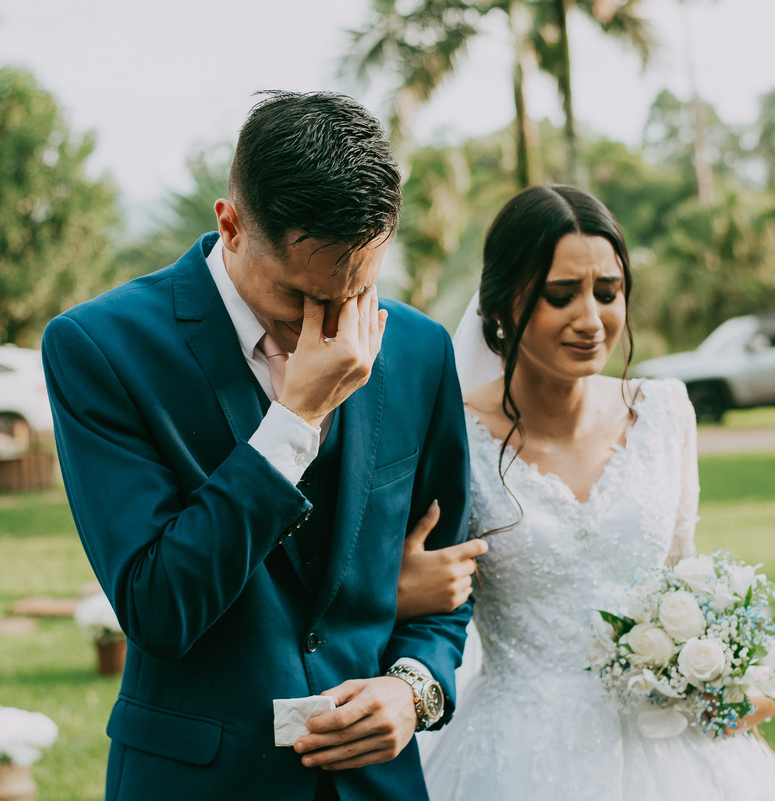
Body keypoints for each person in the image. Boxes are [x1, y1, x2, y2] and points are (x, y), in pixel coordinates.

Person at [42, 91, 484, 801]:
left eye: (357, 290)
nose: (331, 326)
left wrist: (414, 688)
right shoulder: (101, 348)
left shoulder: (421, 351)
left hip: (375, 785)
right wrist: (296, 417)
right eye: (300, 297)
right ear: (231, 225)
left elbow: (448, 575)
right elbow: (159, 608)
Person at [401, 184, 775, 800]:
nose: (591, 321)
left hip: (666, 740)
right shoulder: (453, 432)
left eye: (608, 292)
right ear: (503, 304)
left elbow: (680, 576)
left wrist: (725, 671)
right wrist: (403, 588)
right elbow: (422, 588)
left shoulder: (665, 412)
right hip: (516, 748)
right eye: (560, 295)